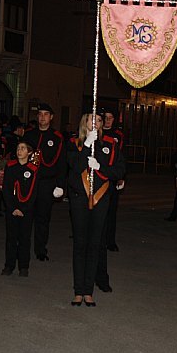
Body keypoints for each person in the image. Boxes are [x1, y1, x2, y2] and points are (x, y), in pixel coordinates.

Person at [67, 112, 125, 306]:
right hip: (79, 198)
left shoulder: (110, 144)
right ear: (84, 121)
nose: (96, 123)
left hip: (101, 198)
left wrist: (100, 166)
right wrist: (85, 147)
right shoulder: (75, 142)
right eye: (92, 119)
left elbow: (119, 170)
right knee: (80, 244)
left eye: (99, 120)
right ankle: (78, 290)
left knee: (94, 244)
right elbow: (74, 167)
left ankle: (88, 291)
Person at [23, 103, 67, 261]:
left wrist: (60, 185)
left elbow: (62, 163)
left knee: (43, 218)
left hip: (46, 183)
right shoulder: (29, 135)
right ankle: (23, 247)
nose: (42, 117)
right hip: (29, 181)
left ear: (51, 117)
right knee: (26, 216)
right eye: (40, 114)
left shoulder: (57, 137)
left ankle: (40, 249)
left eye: (46, 114)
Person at [1, 139, 39, 277]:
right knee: (11, 238)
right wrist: (12, 208)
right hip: (12, 209)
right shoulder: (10, 166)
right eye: (18, 148)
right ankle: (9, 265)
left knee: (24, 239)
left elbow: (34, 192)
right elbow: (6, 189)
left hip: (26, 210)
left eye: (23, 148)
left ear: (29, 152)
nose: (19, 151)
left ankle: (23, 266)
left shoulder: (33, 169)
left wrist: (24, 208)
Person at [101, 109, 125, 252]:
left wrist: (121, 177)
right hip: (97, 176)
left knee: (111, 211)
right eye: (106, 117)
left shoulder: (118, 135)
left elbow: (121, 156)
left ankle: (110, 241)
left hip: (111, 177)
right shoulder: (97, 133)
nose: (108, 120)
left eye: (111, 117)